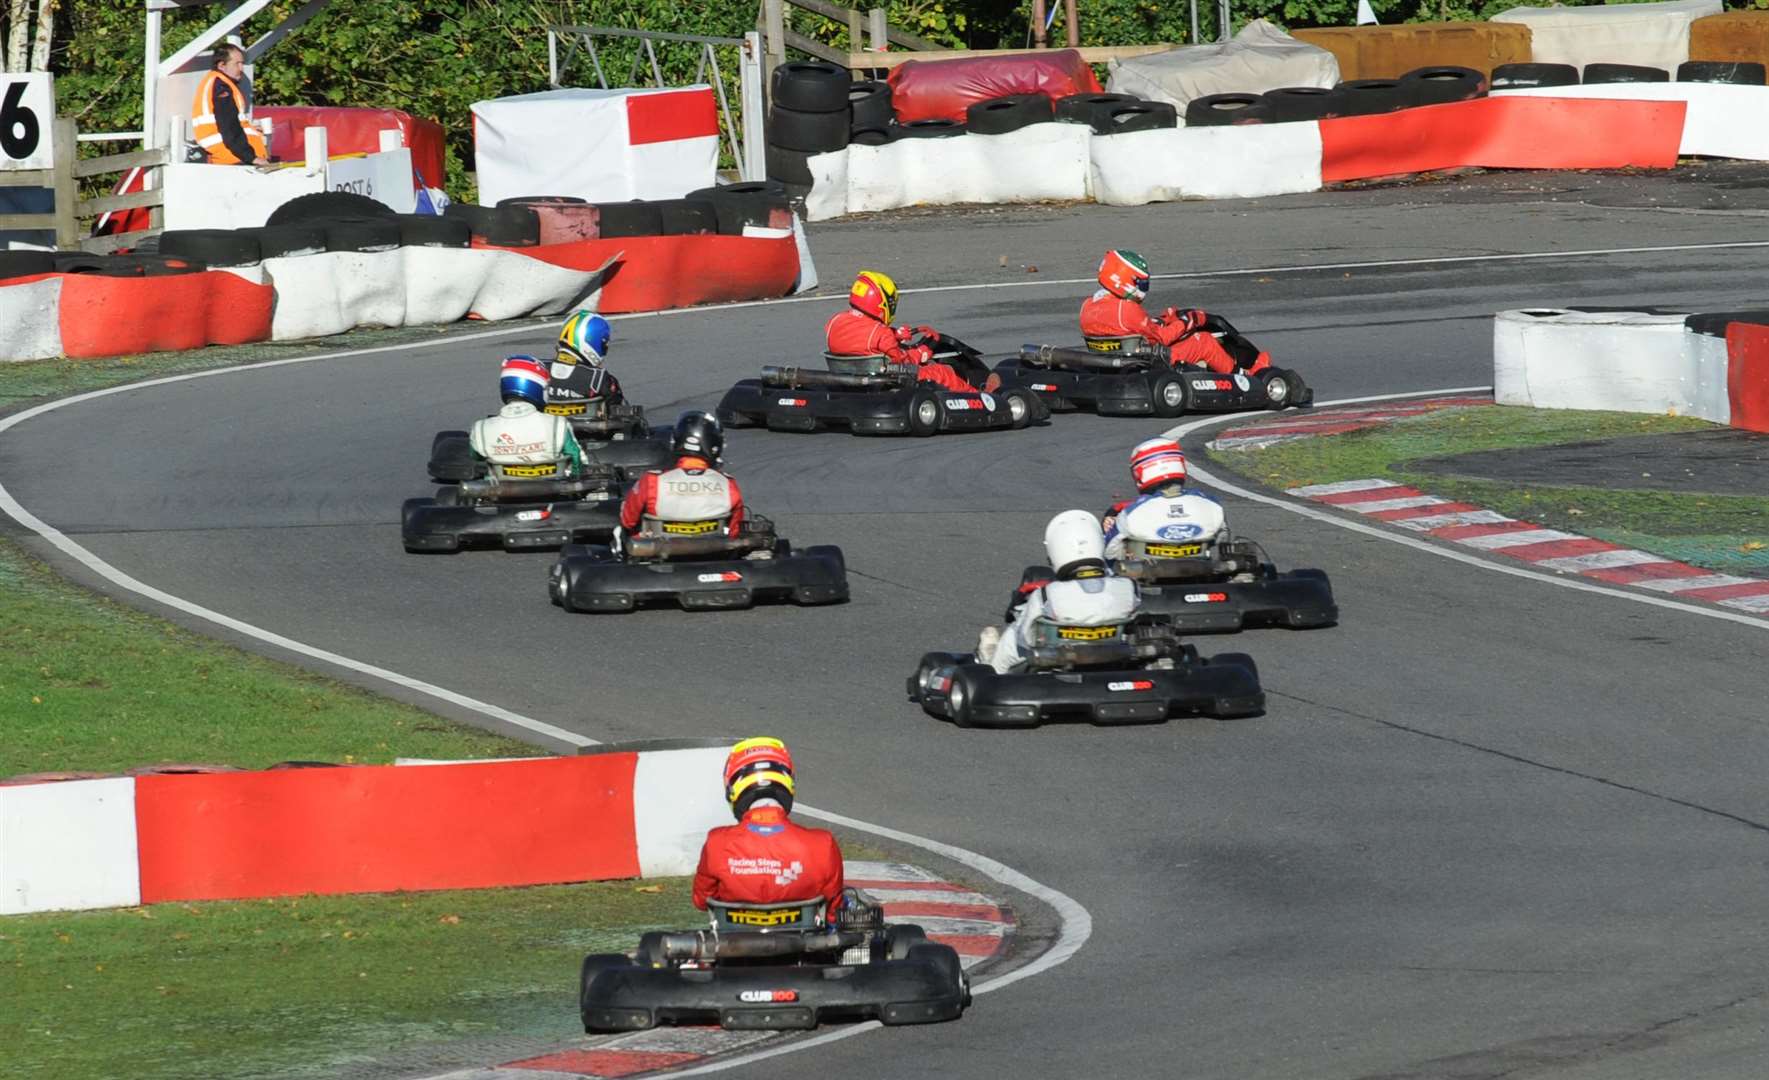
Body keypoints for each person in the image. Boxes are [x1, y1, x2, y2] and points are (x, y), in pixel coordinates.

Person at [692, 737, 846, 920]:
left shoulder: (717, 842)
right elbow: (833, 912)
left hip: (735, 943)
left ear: (733, 789)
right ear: (788, 782)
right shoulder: (822, 843)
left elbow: (701, 901)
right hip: (807, 945)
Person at [979, 510, 1140, 676]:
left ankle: (993, 671)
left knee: (1015, 633)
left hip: (1056, 664)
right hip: (1114, 661)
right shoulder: (1128, 587)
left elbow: (1026, 639)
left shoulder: (1047, 594)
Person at [1079, 249, 1271, 376]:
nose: (1144, 289)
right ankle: (1245, 377)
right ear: (1124, 279)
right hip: (1149, 359)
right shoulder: (1127, 309)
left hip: (1115, 359)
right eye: (1141, 283)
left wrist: (1165, 319)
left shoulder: (1088, 306)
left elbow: (1135, 329)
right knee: (1203, 341)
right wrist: (1189, 320)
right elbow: (1161, 338)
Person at [826, 270, 999, 394]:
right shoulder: (880, 334)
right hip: (886, 377)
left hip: (849, 373)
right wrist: (920, 353)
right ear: (880, 303)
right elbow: (902, 362)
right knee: (943, 372)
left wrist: (895, 333)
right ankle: (979, 398)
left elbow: (860, 335)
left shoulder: (835, 321)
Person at [618, 411, 745, 538]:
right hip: (714, 552)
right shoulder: (727, 484)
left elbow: (628, 522)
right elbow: (734, 531)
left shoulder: (652, 481)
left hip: (660, 552)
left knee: (621, 533)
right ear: (715, 445)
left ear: (676, 441)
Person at [1101, 438, 1226, 560]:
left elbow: (1110, 552)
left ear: (1140, 473)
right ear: (1180, 465)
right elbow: (1223, 538)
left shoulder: (1131, 513)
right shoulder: (1211, 504)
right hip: (1204, 574)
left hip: (1149, 577)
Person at [468, 356, 592, 477]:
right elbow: (576, 457)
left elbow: (474, 459)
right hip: (553, 492)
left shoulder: (481, 428)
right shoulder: (556, 424)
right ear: (537, 387)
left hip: (501, 494)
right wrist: (576, 480)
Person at [191, 44, 270, 167]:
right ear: (222, 65)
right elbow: (229, 125)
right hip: (233, 157)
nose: (242, 68)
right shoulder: (221, 87)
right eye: (237, 64)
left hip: (232, 155)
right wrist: (251, 157)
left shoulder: (218, 82)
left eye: (242, 63)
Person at [545, 309, 626, 414]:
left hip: (541, 429)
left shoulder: (536, 369)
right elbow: (619, 416)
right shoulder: (600, 379)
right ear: (592, 340)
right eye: (603, 345)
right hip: (583, 430)